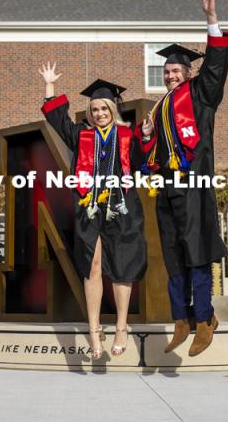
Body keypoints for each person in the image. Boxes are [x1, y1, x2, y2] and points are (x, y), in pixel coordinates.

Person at [136, 0, 228, 356]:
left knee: (195, 250)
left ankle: (206, 318)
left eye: (176, 69)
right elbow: (155, 155)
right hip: (167, 188)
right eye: (166, 71)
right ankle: (182, 319)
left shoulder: (200, 94)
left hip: (193, 185)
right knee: (173, 252)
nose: (170, 75)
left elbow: (215, 67)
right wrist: (147, 137)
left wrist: (211, 19)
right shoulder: (161, 108)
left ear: (187, 71)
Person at [39, 65, 147, 359]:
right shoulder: (81, 136)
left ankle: (121, 327)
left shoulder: (128, 136)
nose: (99, 113)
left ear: (113, 109)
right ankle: (94, 329)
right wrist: (50, 87)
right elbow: (57, 119)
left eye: (104, 108)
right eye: (95, 108)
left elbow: (142, 163)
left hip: (122, 206)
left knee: (122, 268)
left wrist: (146, 138)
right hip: (89, 207)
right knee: (92, 266)